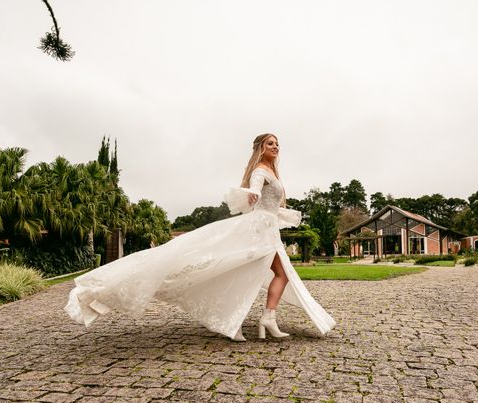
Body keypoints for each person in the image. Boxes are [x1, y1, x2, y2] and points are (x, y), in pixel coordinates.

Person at [64, 133, 336, 341]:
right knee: (260, 272)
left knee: (264, 273)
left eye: (277, 143)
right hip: (258, 232)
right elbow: (254, 190)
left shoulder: (273, 173)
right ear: (260, 149)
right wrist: (252, 194)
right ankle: (262, 318)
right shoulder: (261, 171)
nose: (275, 147)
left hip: (267, 231)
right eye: (269, 144)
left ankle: (261, 317)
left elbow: (272, 205)